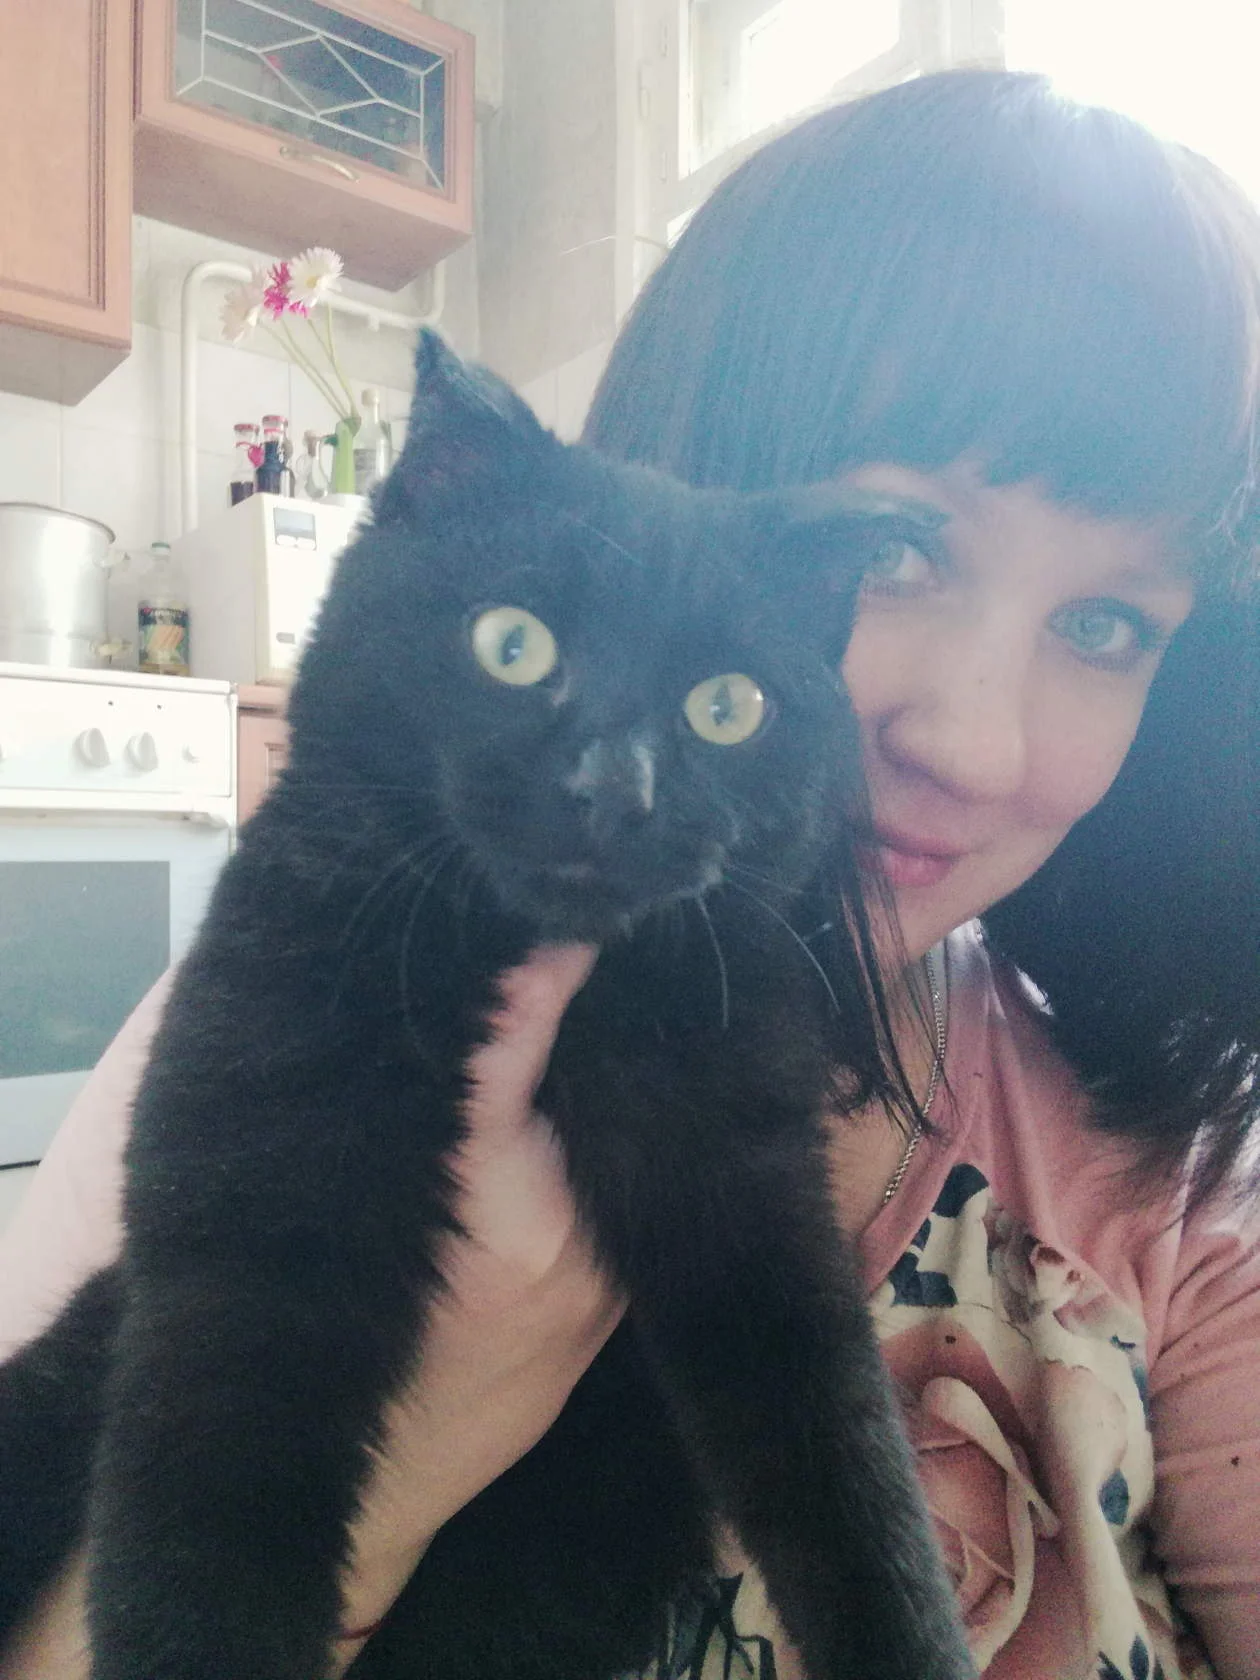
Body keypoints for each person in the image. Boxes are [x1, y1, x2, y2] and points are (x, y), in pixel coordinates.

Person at [1, 66, 1258, 1680]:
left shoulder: (1166, 1180)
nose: (979, 738)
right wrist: (412, 1459)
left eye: (1106, 623)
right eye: (896, 548)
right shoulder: (281, 987)